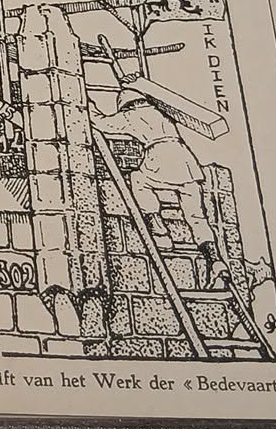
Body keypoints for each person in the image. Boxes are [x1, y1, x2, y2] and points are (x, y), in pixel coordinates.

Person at [90, 81, 227, 286]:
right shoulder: (162, 112)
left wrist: (89, 105)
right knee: (197, 217)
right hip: (187, 163)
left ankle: (158, 230)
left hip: (160, 159)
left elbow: (102, 123)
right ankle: (215, 260)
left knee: (138, 180)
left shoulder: (130, 116)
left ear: (126, 105)